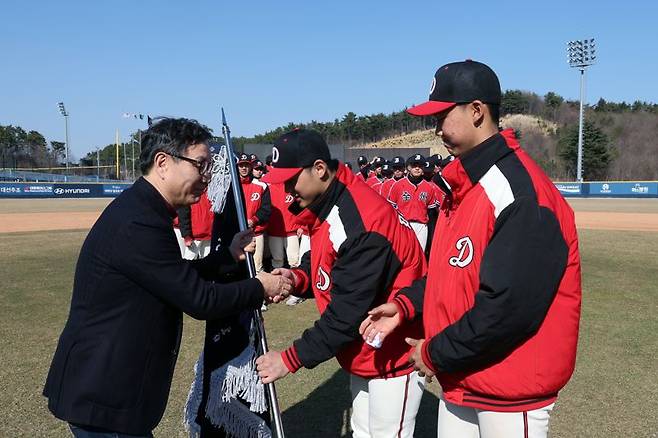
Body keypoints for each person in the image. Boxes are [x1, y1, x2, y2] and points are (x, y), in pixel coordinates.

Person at [360, 60, 582, 438]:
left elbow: (509, 310)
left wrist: (434, 353)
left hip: (511, 388)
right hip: (463, 376)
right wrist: (406, 305)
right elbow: (451, 276)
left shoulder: (517, 191)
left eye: (443, 115)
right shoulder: (463, 187)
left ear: (477, 111)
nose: (436, 127)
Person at [43, 118, 292, 438]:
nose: (207, 177)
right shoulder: (139, 222)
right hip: (106, 396)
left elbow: (173, 277)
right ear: (163, 162)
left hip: (108, 391)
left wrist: (226, 256)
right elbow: (200, 300)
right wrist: (260, 287)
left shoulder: (145, 211)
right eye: (200, 165)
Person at [255, 129, 428, 438]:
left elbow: (345, 315)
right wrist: (296, 277)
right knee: (363, 431)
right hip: (366, 348)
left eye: (292, 180)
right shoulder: (332, 200)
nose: (287, 190)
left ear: (319, 169)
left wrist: (288, 360)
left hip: (393, 351)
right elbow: (326, 262)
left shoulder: (359, 220)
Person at [387, 153, 439, 250]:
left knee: (420, 256)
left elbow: (431, 213)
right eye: (414, 165)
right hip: (403, 225)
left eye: (420, 166)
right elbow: (391, 210)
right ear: (408, 168)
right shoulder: (397, 185)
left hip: (421, 226)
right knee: (402, 254)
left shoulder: (429, 187)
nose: (417, 168)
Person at [238, 153, 271, 273]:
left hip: (256, 232)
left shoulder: (261, 185)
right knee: (239, 266)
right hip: (238, 234)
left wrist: (253, 220)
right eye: (241, 165)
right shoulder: (233, 186)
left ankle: (260, 291)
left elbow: (266, 209)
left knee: (257, 267)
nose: (243, 168)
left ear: (250, 167)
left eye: (246, 165)